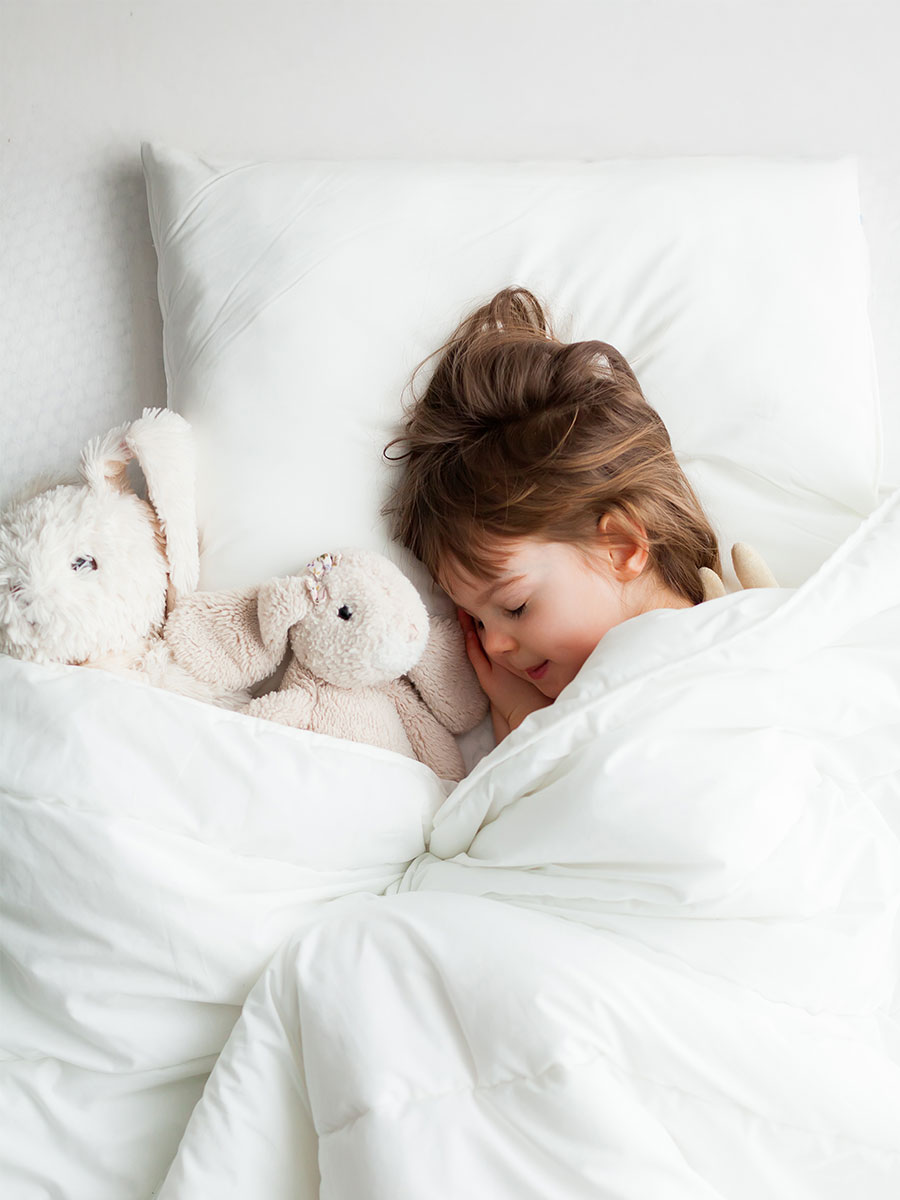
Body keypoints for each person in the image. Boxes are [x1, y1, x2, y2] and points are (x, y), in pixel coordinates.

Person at [384, 287, 720, 743]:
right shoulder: (554, 707)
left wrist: (527, 719)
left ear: (620, 547)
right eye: (478, 621)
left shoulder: (730, 640)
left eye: (514, 606)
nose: (492, 645)